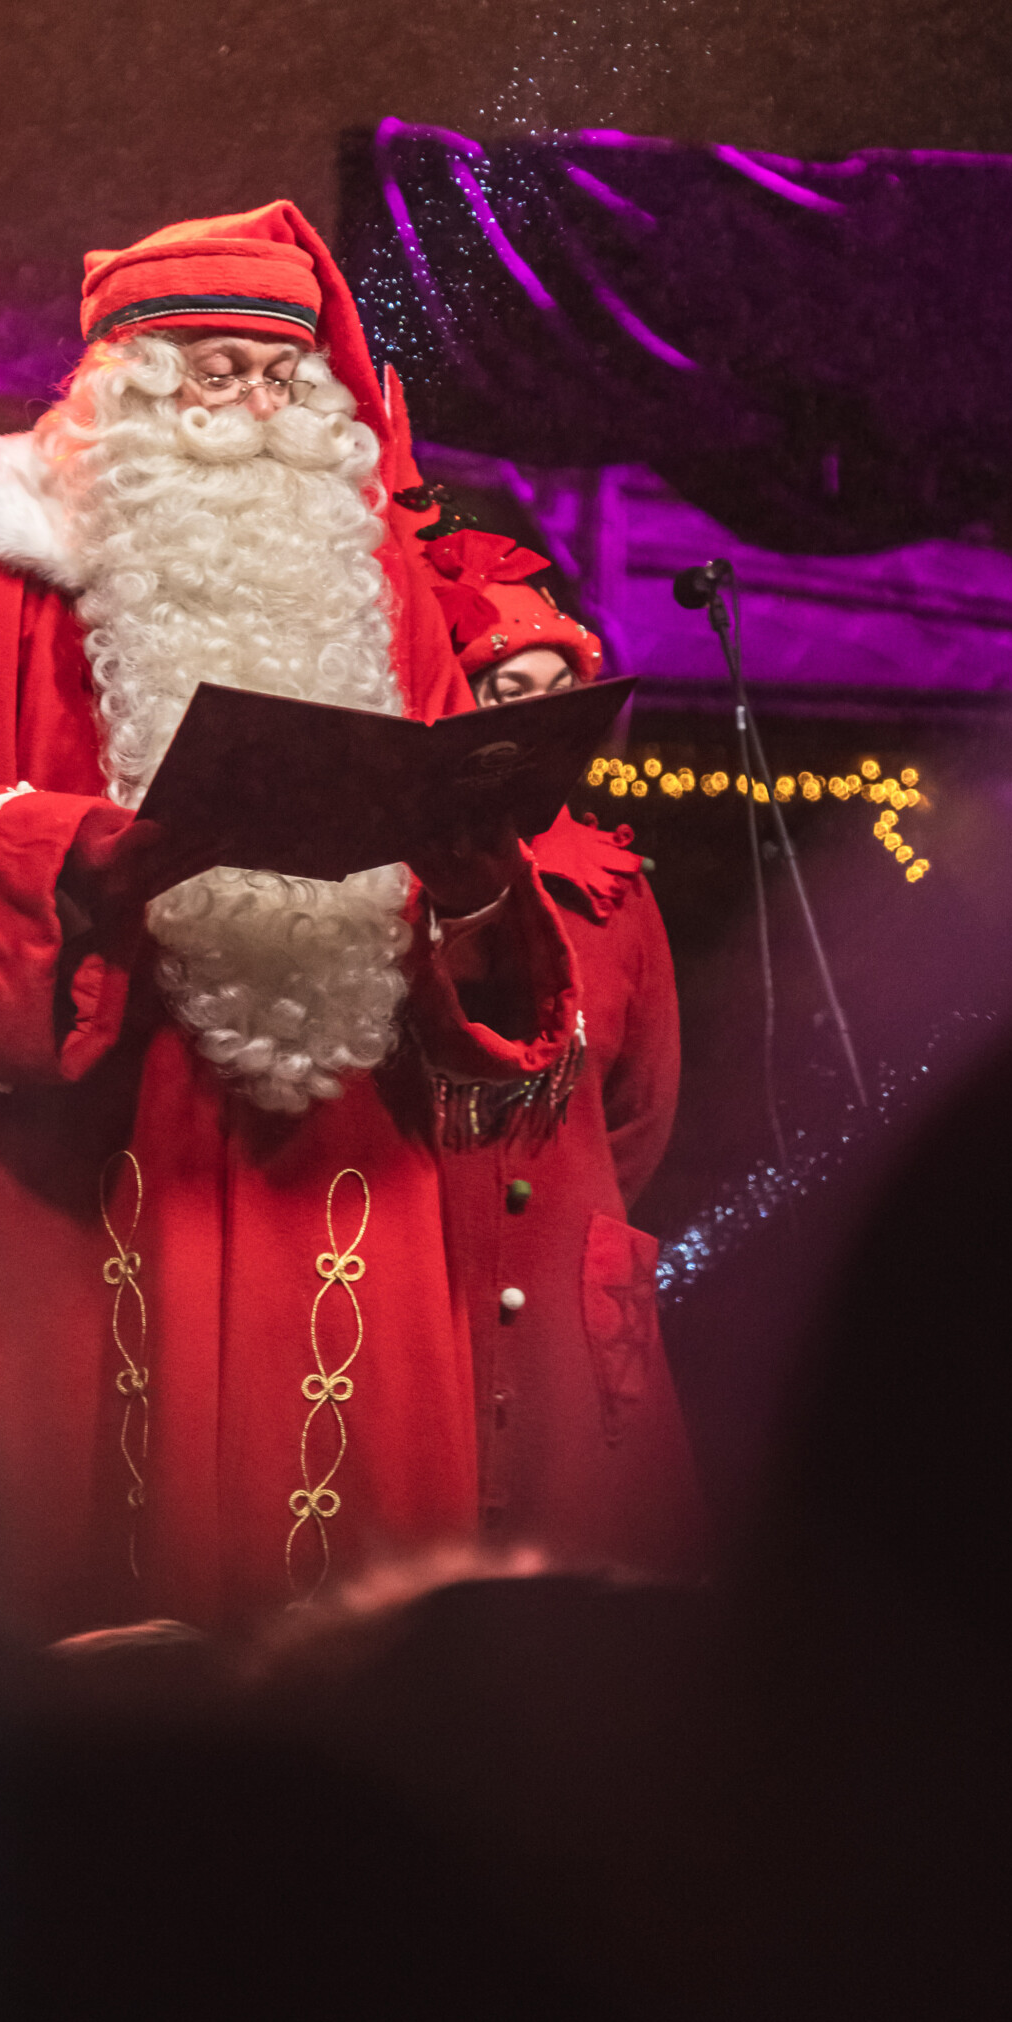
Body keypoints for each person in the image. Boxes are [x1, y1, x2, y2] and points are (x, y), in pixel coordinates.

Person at [0, 203, 584, 1637]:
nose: (255, 409)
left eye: (282, 379)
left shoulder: (382, 583)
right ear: (121, 384)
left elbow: (446, 829)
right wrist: (102, 851)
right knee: (72, 1573)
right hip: (68, 1112)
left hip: (336, 1122)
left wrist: (468, 861)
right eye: (215, 372)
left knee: (348, 1610)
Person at [421, 525, 706, 1577]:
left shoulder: (618, 893)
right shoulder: (397, 887)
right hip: (434, 1262)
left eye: (556, 689)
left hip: (570, 1303)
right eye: (505, 691)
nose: (536, 716)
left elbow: (643, 1109)